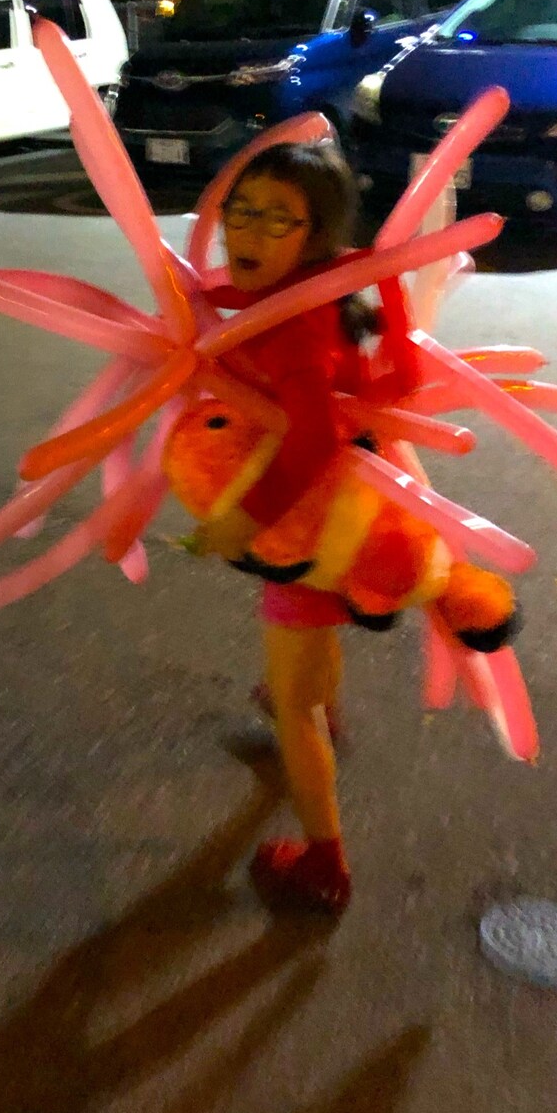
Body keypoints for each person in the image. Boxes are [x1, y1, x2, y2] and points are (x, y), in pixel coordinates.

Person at [197, 142, 379, 913]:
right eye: (242, 210)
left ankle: (323, 860)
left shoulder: (298, 328)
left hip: (309, 528)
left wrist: (244, 517)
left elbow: (312, 440)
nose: (251, 229)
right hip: (343, 521)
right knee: (310, 656)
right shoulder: (302, 301)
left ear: (316, 239)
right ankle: (312, 705)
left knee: (295, 703)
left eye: (280, 219)